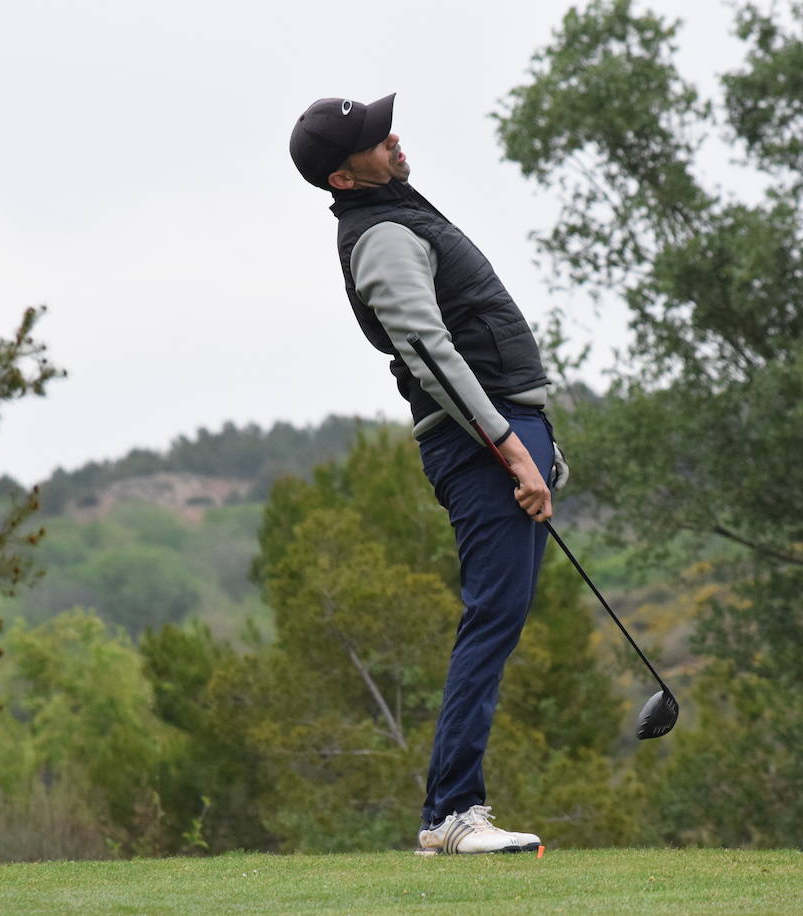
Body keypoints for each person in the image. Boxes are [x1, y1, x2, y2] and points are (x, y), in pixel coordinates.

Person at [288, 93, 568, 855]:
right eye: (375, 141)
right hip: (479, 443)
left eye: (385, 129)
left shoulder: (400, 213)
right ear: (344, 178)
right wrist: (511, 447)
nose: (392, 139)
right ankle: (451, 814)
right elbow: (428, 352)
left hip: (503, 431)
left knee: (499, 616)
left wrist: (537, 440)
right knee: (491, 617)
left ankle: (453, 810)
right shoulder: (379, 233)